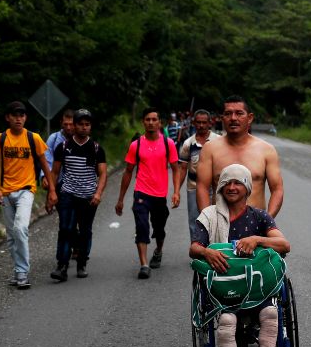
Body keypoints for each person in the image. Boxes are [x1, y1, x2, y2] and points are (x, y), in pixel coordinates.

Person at [189, 164, 290, 347]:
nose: (231, 187)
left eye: (237, 183)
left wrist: (256, 239)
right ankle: (228, 331)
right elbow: (194, 248)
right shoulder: (209, 216)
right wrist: (208, 252)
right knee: (227, 317)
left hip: (256, 285)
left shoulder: (260, 217)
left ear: (247, 188)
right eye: (227, 183)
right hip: (226, 284)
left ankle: (267, 326)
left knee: (270, 304)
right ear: (220, 188)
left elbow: (284, 245)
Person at [0, 101, 57, 289]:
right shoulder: (0, 139)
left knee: (20, 228)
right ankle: (18, 270)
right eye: (15, 115)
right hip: (6, 192)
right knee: (11, 236)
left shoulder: (33, 138)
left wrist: (51, 189)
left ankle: (22, 273)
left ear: (25, 118)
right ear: (8, 118)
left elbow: (45, 165)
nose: (19, 118)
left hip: (27, 190)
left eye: (22, 115)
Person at [115, 107, 181, 279]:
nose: (151, 123)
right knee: (142, 226)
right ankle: (144, 264)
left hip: (160, 195)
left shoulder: (169, 144)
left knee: (159, 229)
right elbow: (128, 171)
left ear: (160, 123)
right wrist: (121, 199)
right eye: (147, 120)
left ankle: (158, 250)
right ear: (143, 122)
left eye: (154, 120)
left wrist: (176, 192)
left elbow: (176, 168)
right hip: (141, 193)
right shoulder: (135, 145)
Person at [196, 95, 284, 217]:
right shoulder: (210, 149)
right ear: (222, 118)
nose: (233, 118)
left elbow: (277, 189)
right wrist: (207, 221)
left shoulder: (266, 150)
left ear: (250, 118)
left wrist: (267, 220)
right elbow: (202, 187)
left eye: (239, 113)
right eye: (228, 114)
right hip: (221, 224)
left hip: (256, 226)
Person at [49, 109, 107, 281]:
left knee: (85, 231)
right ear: (74, 126)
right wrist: (52, 193)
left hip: (88, 197)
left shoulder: (96, 149)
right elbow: (55, 172)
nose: (83, 127)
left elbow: (103, 173)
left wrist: (98, 193)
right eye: (80, 124)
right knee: (66, 229)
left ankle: (82, 262)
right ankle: (62, 266)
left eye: (87, 124)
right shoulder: (64, 147)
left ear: (90, 127)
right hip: (68, 194)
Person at [42, 109, 81, 260]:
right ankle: (68, 250)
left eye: (72, 124)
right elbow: (46, 159)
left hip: (77, 184)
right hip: (58, 183)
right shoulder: (53, 139)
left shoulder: (81, 139)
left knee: (76, 217)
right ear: (61, 124)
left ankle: (76, 243)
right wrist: (45, 177)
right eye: (66, 124)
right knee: (65, 217)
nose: (69, 128)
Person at [177, 109, 220, 239]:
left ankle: (215, 250)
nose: (201, 125)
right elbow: (183, 168)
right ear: (194, 123)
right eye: (198, 122)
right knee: (195, 220)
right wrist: (177, 191)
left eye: (204, 122)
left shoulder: (219, 141)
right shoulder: (188, 144)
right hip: (193, 187)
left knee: (216, 220)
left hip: (215, 187)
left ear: (210, 123)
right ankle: (197, 252)